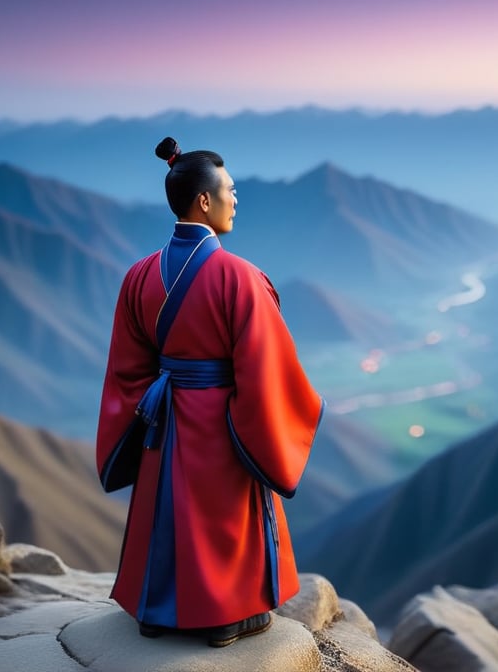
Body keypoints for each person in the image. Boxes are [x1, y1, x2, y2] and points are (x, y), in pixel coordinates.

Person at [96, 137, 324, 647]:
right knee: (223, 518)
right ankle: (225, 616)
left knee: (165, 510)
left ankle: (156, 610)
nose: (236, 200)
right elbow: (267, 369)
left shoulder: (138, 276)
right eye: (231, 190)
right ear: (204, 201)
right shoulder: (240, 278)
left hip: (165, 420)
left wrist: (145, 410)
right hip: (221, 420)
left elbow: (127, 370)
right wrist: (254, 422)